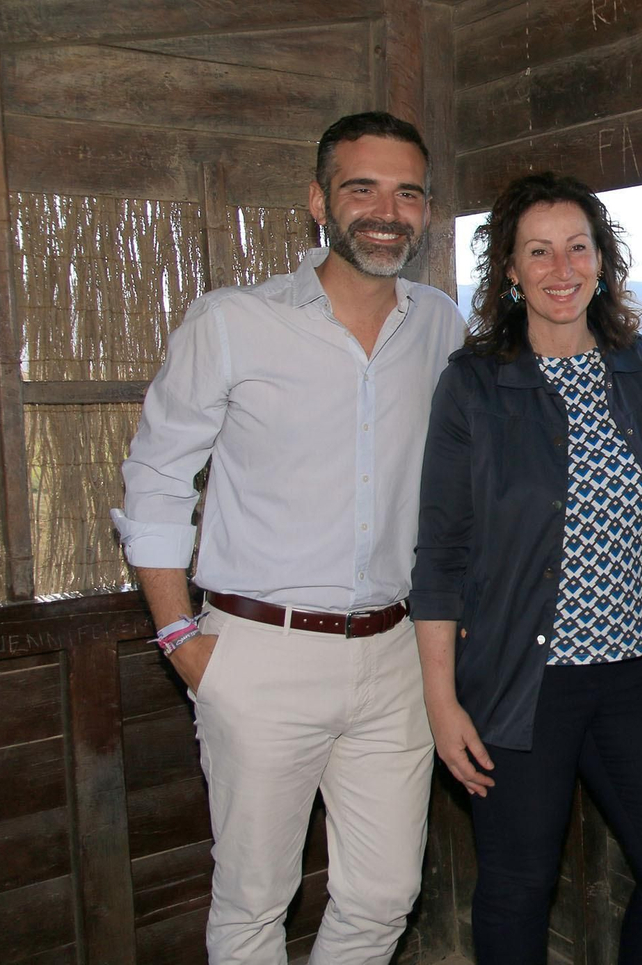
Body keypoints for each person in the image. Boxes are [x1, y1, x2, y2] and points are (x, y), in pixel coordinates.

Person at [113, 111, 465, 963]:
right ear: (318, 201)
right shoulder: (232, 322)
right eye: (363, 188)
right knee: (252, 901)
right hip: (256, 655)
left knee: (385, 896)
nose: (388, 210)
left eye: (408, 192)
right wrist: (184, 645)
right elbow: (157, 480)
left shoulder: (443, 327)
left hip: (395, 659)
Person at [408, 172, 642, 963]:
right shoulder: (473, 384)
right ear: (508, 270)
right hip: (518, 685)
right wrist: (442, 700)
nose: (560, 267)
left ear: (603, 260)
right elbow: (439, 551)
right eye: (537, 251)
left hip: (636, 679)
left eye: (578, 246)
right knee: (517, 887)